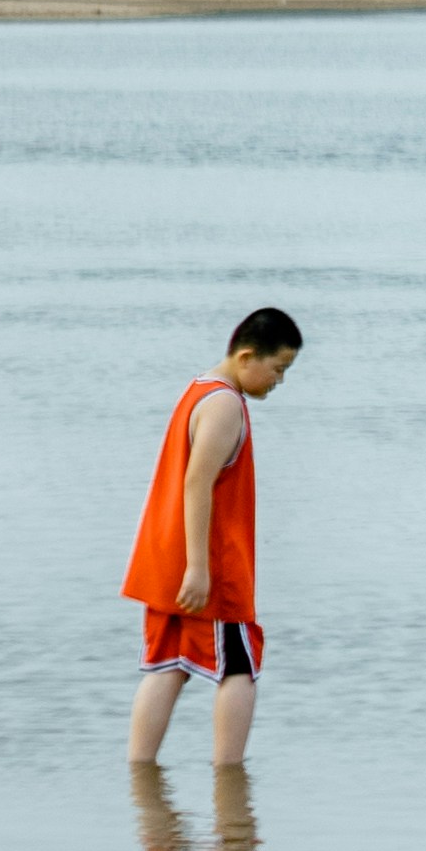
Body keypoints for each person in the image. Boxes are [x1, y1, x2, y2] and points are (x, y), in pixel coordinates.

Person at [124, 305, 303, 769]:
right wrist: (200, 569)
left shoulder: (198, 389)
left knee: (169, 663)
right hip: (210, 565)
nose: (280, 381)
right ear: (247, 357)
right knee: (240, 667)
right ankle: (231, 780)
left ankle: (139, 772)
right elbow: (197, 482)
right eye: (278, 369)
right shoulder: (225, 404)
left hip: (166, 557)